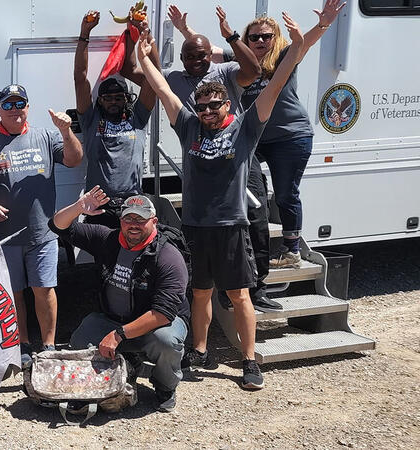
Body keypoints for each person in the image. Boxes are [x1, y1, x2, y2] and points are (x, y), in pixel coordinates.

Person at [136, 19, 312, 390]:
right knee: (199, 291)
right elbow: (163, 89)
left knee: (238, 294)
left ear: (227, 104)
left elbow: (276, 82)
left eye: (214, 105)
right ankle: (199, 349)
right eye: (202, 107)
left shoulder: (246, 128)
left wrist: (299, 44)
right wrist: (144, 56)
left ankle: (249, 361)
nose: (208, 112)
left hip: (232, 225)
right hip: (196, 226)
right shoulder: (188, 127)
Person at [167, 5, 283, 312]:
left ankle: (256, 287)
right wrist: (174, 33)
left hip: (238, 148)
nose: (197, 60)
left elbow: (254, 71)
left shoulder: (225, 69)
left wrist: (230, 35)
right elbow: (187, 52)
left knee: (256, 214)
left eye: (202, 56)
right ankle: (225, 289)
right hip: (203, 161)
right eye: (190, 56)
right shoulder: (176, 78)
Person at [0, 84, 83, 359]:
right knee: (14, 293)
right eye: (8, 105)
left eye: (20, 104)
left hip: (43, 233)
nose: (15, 110)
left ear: (28, 107)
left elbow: (75, 159)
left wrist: (67, 131)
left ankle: (50, 345)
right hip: (3, 237)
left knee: (44, 289)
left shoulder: (46, 136)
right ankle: (23, 344)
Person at [51, 188, 190, 412]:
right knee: (80, 340)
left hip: (157, 323)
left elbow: (163, 313)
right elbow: (57, 225)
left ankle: (165, 385)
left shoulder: (168, 256)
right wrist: (78, 207)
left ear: (153, 221)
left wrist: (119, 335)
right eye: (128, 219)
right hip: (114, 318)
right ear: (121, 220)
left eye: (140, 219)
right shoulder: (107, 238)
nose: (133, 224)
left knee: (167, 342)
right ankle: (127, 365)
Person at [236, 0, 346, 269]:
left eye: (266, 36)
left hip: (290, 137)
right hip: (258, 139)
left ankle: (291, 250)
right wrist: (184, 29)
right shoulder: (240, 63)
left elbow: (305, 42)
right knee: (237, 171)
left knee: (286, 194)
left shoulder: (284, 57)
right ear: (246, 41)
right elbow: (207, 52)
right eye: (254, 37)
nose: (260, 40)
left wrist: (324, 23)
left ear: (275, 39)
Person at [74, 10, 157, 228]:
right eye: (107, 98)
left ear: (126, 98)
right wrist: (85, 34)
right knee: (103, 260)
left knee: (132, 259)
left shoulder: (137, 117)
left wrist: (145, 33)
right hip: (98, 203)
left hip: (132, 204)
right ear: (99, 101)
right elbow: (80, 78)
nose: (113, 101)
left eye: (118, 97)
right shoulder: (90, 119)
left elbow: (155, 78)